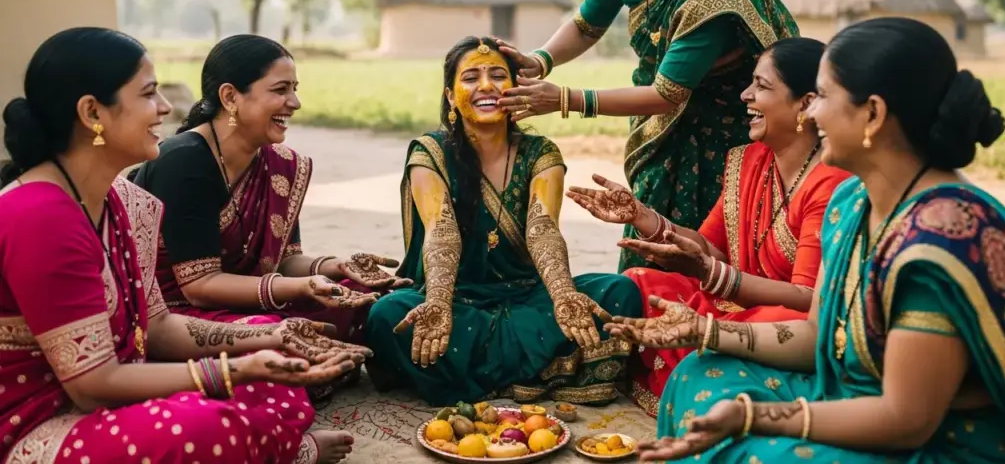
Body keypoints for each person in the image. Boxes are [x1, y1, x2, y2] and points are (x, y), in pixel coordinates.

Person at [604, 17, 1005, 463]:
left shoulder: (942, 239)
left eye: (822, 96)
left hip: (935, 439)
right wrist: (707, 331)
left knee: (751, 448)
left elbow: (906, 419)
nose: (812, 112)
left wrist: (758, 416)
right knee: (698, 372)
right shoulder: (852, 202)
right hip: (847, 390)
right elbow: (814, 333)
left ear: (873, 114)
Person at [0, 27, 360, 464]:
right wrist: (234, 368)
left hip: (119, 385)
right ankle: (279, 448)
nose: (166, 107)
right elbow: (92, 386)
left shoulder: (123, 202)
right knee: (207, 428)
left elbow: (160, 329)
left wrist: (267, 338)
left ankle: (265, 442)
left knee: (270, 373)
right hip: (40, 423)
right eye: (149, 94)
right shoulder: (40, 216)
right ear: (93, 112)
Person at [494, 0, 798, 273]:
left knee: (712, 245)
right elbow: (587, 25)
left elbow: (666, 94)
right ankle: (644, 311)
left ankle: (711, 326)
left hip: (725, 131)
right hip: (661, 127)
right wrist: (539, 60)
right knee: (648, 224)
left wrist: (564, 99)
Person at [568, 37, 849, 413]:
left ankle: (700, 371)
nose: (746, 95)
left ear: (806, 103)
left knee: (778, 319)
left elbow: (806, 297)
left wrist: (715, 276)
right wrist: (642, 217)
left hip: (782, 320)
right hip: (729, 304)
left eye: (762, 86)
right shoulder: (750, 160)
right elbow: (709, 245)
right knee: (638, 280)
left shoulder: (829, 182)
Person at [364, 36, 642, 406]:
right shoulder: (430, 152)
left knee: (619, 292)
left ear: (516, 88)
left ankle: (473, 376)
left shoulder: (540, 153)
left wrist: (562, 296)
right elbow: (440, 230)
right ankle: (545, 371)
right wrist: (439, 302)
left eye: (498, 75)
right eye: (470, 78)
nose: (486, 86)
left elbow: (543, 229)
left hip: (528, 294)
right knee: (386, 314)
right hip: (456, 300)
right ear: (450, 96)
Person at [132, 35, 408, 357]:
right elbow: (200, 287)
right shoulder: (184, 161)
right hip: (176, 313)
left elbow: (287, 260)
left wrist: (337, 267)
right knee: (279, 343)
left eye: (295, 88)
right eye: (280, 90)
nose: (295, 102)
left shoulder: (280, 164)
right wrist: (304, 287)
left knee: (364, 297)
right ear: (230, 96)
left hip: (248, 300)